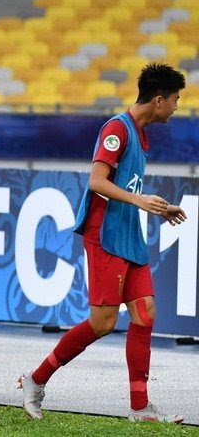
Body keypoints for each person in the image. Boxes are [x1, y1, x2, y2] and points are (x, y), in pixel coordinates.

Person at [19, 62, 187, 424]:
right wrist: (141, 201)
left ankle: (140, 407)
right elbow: (96, 181)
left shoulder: (141, 135)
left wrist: (157, 206)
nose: (176, 107)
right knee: (103, 322)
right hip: (105, 236)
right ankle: (36, 379)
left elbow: (129, 188)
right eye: (175, 100)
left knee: (145, 314)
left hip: (129, 235)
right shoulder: (117, 128)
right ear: (158, 100)